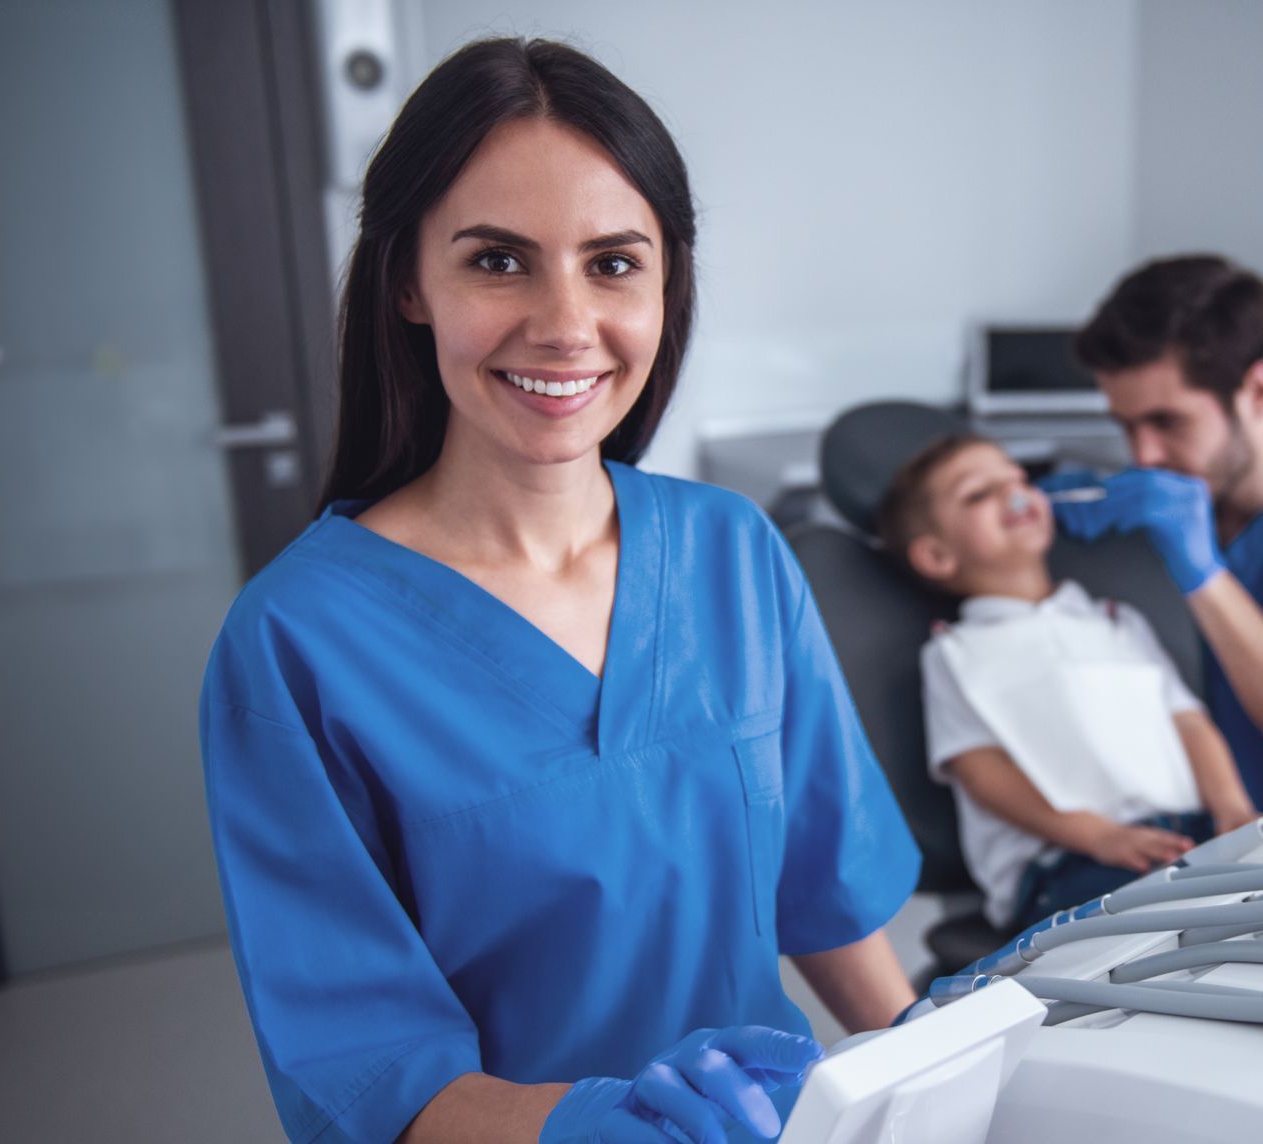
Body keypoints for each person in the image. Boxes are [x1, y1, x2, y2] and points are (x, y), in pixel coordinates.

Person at [199, 38, 920, 1144]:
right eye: (497, 261)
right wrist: (601, 1123)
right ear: (408, 280)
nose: (565, 323)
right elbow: (370, 1069)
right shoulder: (297, 643)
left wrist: (939, 1075)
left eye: (613, 262)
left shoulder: (732, 549)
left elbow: (820, 889)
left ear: (665, 279)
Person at [877, 433, 1256, 933]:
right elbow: (980, 770)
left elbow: (1189, 723)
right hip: (1072, 863)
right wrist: (1097, 836)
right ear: (937, 556)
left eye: (1017, 479)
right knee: (1192, 933)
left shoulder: (1118, 622)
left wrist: (1234, 809)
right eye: (978, 494)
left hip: (1192, 833)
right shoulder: (956, 654)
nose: (1015, 494)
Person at [1053, 255, 1263, 810]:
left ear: (1258, 393)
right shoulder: (1156, 512)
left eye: (1168, 422)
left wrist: (1204, 577)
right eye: (1126, 426)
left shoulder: (1188, 538)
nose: (1144, 456)